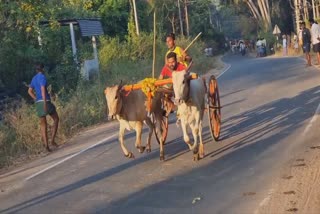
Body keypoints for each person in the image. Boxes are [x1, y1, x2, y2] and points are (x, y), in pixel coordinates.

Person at [28, 63, 59, 152]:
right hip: (45, 101)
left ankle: (46, 145)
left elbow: (29, 91)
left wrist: (35, 98)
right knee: (56, 119)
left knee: (43, 124)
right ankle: (52, 140)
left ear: (36, 70)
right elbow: (42, 90)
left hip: (38, 102)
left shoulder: (34, 78)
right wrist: (45, 102)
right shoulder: (42, 77)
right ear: (42, 69)